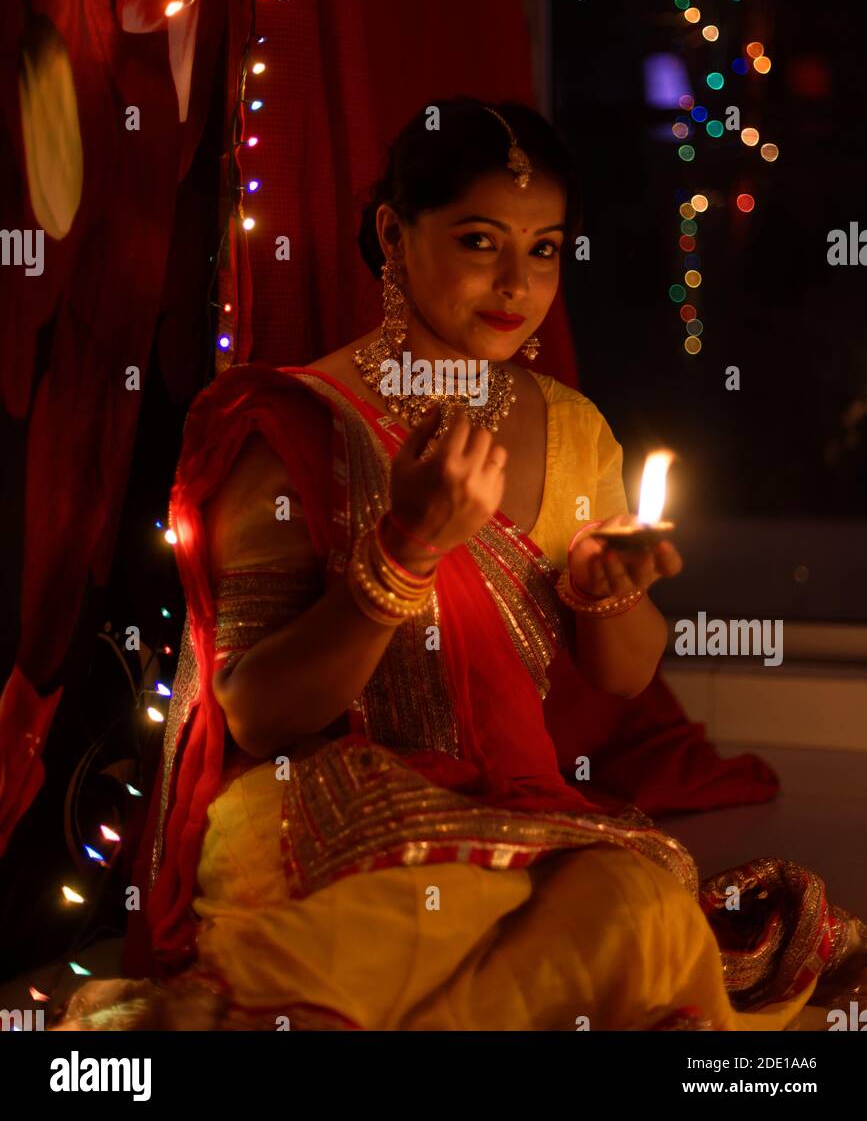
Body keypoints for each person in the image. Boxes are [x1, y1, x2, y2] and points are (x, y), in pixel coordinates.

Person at [52, 98, 866, 1031]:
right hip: (329, 794)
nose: (517, 283)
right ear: (395, 235)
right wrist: (402, 555)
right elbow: (260, 712)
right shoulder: (297, 423)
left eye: (546, 248)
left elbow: (626, 672)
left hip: (512, 804)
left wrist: (608, 595)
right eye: (481, 241)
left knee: (641, 911)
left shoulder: (571, 428)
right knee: (399, 925)